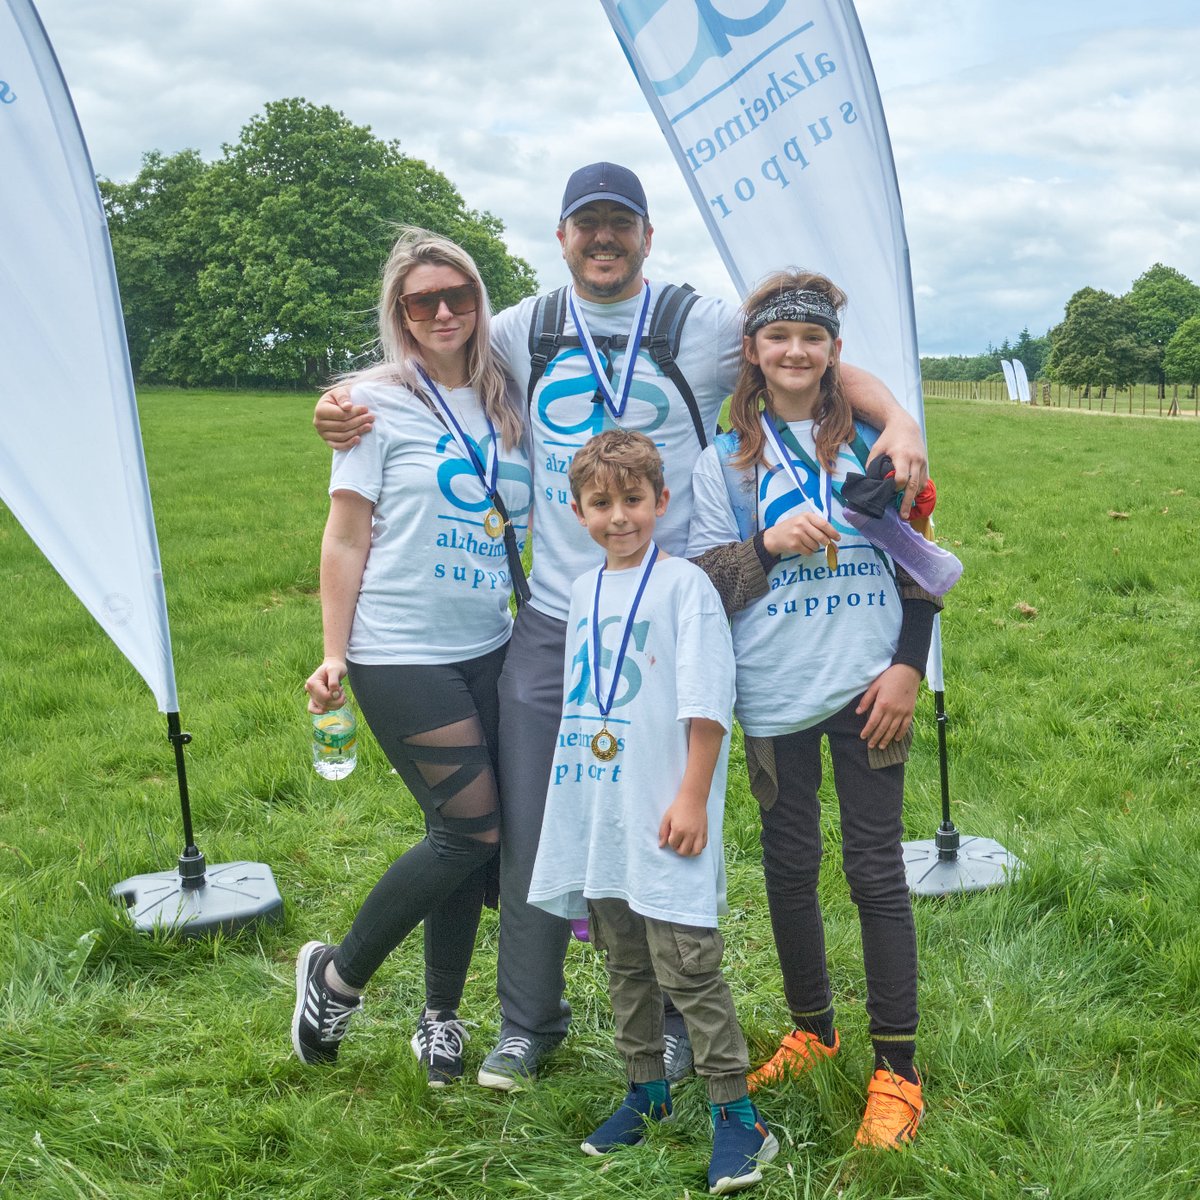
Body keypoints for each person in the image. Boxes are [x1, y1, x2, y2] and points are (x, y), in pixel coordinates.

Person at [313, 163, 930, 1090]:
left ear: (646, 235)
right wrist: (339, 399)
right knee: (525, 819)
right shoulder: (522, 326)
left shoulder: (704, 323)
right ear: (560, 239)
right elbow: (427, 363)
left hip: (674, 611)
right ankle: (529, 1022)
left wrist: (904, 417)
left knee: (664, 812)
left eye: (620, 225)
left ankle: (679, 1022)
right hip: (557, 618)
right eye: (585, 226)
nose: (603, 241)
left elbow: (807, 357)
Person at [686, 271, 941, 1147]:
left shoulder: (879, 445)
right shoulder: (722, 462)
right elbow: (703, 583)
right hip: (772, 695)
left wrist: (908, 668)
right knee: (790, 868)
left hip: (872, 688)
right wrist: (766, 541)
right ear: (752, 354)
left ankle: (897, 1070)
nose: (795, 352)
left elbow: (922, 569)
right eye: (778, 338)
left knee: (875, 871)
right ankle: (814, 1029)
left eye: (813, 339)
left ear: (834, 355)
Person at [292, 228, 532, 1087]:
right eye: (421, 300)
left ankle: (440, 1016)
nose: (442, 312)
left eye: (457, 295)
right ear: (399, 312)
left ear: (479, 303)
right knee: (470, 827)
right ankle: (335, 978)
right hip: (397, 649)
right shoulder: (369, 403)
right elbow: (346, 534)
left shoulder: (511, 395)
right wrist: (332, 654)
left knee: (475, 832)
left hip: (493, 641)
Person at [528, 428, 777, 1195]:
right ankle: (647, 1093)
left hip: (669, 810)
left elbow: (708, 700)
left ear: (660, 502)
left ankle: (739, 1119)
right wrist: (576, 808)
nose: (619, 517)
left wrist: (693, 795)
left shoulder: (685, 587)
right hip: (603, 812)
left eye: (633, 500)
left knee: (688, 969)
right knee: (625, 963)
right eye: (600, 504)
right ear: (575, 511)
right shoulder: (581, 592)